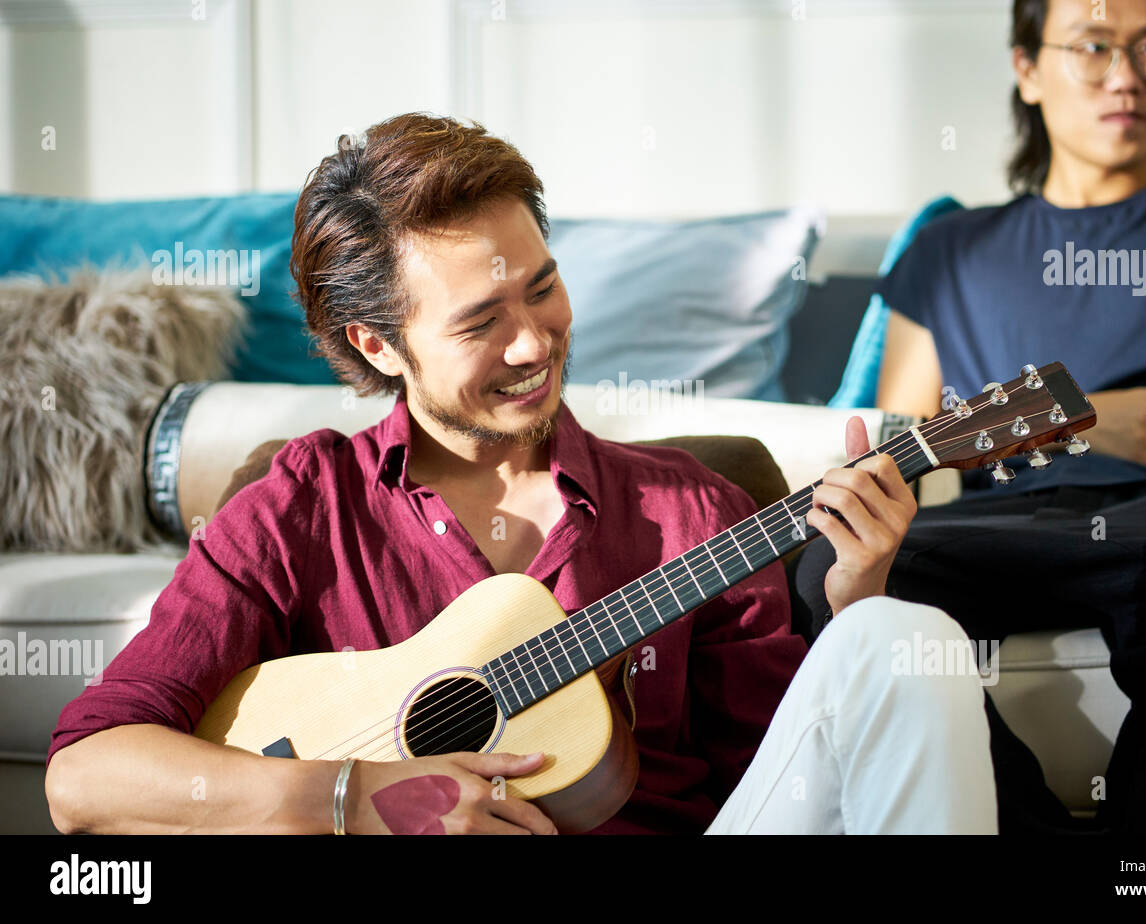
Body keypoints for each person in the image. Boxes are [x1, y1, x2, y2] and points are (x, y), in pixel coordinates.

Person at [44, 114, 996, 835]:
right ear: (378, 344)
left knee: (903, 635)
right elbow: (84, 775)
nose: (534, 341)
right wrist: (358, 796)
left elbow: (789, 778)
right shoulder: (302, 503)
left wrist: (852, 600)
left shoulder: (692, 510)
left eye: (542, 287)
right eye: (479, 321)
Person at [798, 0, 1146, 834]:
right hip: (1002, 529)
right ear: (1027, 68)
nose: (1128, 75)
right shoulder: (953, 248)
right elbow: (902, 445)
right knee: (820, 571)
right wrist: (1091, 418)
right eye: (1095, 46)